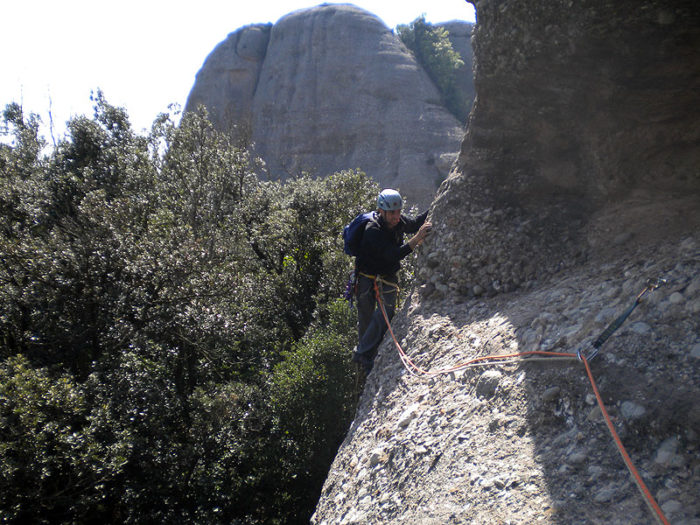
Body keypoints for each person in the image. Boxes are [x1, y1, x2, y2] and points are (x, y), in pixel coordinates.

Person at [352, 189, 432, 373]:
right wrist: (417, 238)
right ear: (382, 211)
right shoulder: (372, 230)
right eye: (393, 213)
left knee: (386, 312)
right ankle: (365, 358)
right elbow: (392, 255)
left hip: (386, 275)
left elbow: (413, 224)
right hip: (366, 277)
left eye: (398, 212)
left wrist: (438, 202)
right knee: (365, 319)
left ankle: (363, 353)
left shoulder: (397, 221)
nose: (397, 217)